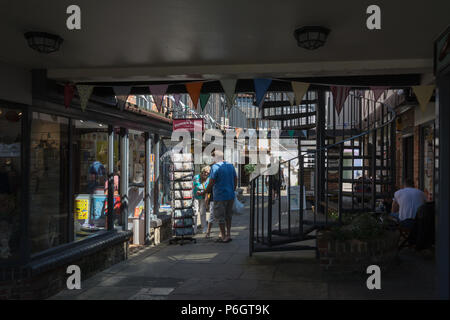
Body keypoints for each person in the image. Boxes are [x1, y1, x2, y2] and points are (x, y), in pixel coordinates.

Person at [206, 150, 237, 243]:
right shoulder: (230, 166)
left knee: (220, 217)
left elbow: (211, 182)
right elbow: (235, 179)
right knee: (228, 216)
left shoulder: (215, 167)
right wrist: (233, 189)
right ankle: (228, 234)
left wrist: (205, 191)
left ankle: (223, 236)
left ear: (216, 157)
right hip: (230, 195)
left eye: (213, 157)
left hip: (220, 195)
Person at [193, 166, 210, 234]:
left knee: (203, 212)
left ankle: (204, 228)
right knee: (195, 212)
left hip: (203, 197)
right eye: (205, 172)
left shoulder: (208, 179)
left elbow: (207, 188)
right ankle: (194, 228)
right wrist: (204, 190)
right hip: (196, 196)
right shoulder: (196, 177)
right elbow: (197, 186)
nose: (206, 174)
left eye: (207, 173)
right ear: (202, 171)